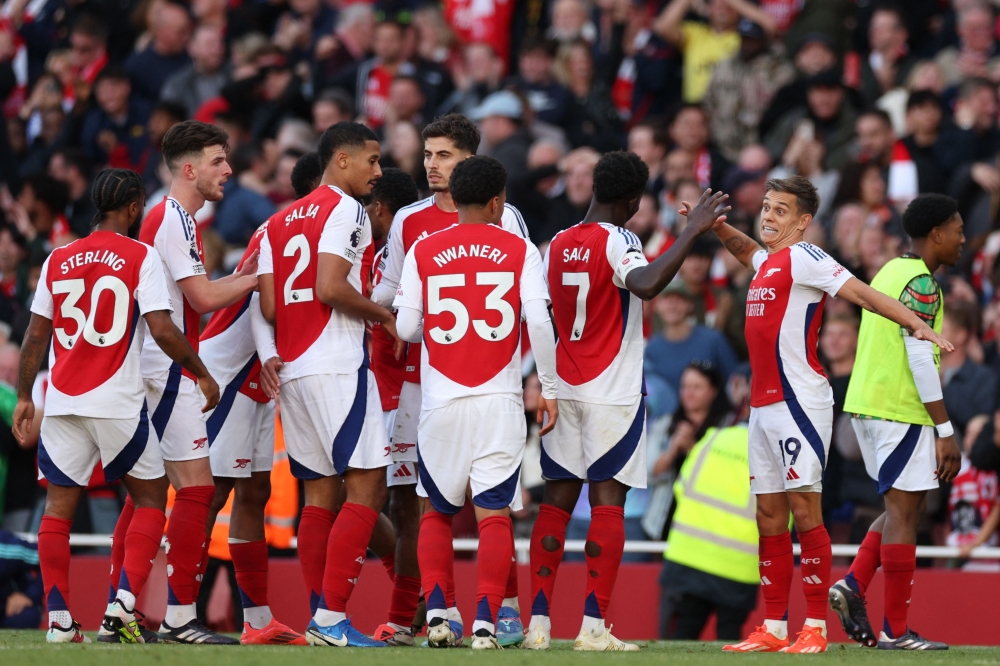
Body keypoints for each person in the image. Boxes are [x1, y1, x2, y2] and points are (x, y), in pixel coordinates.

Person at [706, 176, 952, 654]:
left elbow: (861, 294)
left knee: (804, 511)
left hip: (800, 402)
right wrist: (716, 228)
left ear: (803, 222)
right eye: (767, 208)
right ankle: (774, 628)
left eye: (781, 211)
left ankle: (815, 627)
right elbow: (748, 252)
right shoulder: (769, 263)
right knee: (769, 516)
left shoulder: (806, 257)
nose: (769, 217)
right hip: (762, 406)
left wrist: (916, 322)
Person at [525, 152, 731, 652]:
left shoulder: (560, 244)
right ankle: (594, 627)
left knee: (554, 506)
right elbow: (645, 282)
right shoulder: (620, 239)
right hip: (612, 393)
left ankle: (538, 624)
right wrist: (692, 232)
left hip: (564, 388)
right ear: (634, 201)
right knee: (608, 505)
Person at [13, 168, 220, 644]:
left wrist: (26, 395)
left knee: (57, 512)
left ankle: (60, 620)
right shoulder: (139, 254)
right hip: (116, 400)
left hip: (62, 400)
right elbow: (164, 330)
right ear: (131, 208)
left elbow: (35, 334)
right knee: (150, 500)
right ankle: (123, 607)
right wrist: (202, 373)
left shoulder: (57, 257)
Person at [369, 113, 530, 648]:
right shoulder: (410, 220)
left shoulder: (509, 220)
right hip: (420, 382)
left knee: (485, 501)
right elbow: (390, 289)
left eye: (443, 156)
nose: (431, 165)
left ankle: (503, 607)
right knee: (413, 502)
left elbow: (525, 309)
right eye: (428, 154)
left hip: (479, 377)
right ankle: (430, 612)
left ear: (470, 162)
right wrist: (390, 320)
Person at [392, 155, 558, 651]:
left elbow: (403, 328)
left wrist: (438, 335)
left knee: (436, 513)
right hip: (499, 400)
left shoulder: (423, 247)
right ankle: (487, 621)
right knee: (494, 514)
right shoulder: (521, 249)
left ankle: (440, 616)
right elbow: (540, 324)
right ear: (496, 201)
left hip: (441, 400)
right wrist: (547, 385)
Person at [256, 122, 395, 648]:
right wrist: (382, 315)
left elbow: (270, 306)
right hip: (336, 362)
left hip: (292, 369)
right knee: (367, 485)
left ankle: (321, 613)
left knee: (318, 496)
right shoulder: (347, 209)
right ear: (341, 160)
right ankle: (333, 619)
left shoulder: (276, 221)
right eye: (372, 161)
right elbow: (332, 287)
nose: (378, 173)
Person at [128, 121, 257, 644]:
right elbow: (201, 300)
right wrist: (260, 275)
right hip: (165, 367)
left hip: (155, 365)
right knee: (197, 492)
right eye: (217, 161)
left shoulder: (175, 218)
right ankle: (179, 618)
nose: (227, 170)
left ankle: (125, 610)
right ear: (189, 169)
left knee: (149, 498)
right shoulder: (172, 218)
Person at [833, 194, 965, 651]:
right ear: (936, 234)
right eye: (958, 230)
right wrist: (945, 430)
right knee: (906, 514)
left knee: (900, 510)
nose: (963, 240)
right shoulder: (923, 284)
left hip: (867, 405)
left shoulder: (890, 270)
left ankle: (853, 583)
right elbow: (920, 358)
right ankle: (895, 630)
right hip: (899, 408)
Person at [198, 220, 305, 644]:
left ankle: (258, 622)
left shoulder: (316, 228)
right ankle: (178, 613)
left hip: (259, 377)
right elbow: (267, 303)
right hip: (229, 373)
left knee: (255, 491)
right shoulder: (278, 231)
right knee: (211, 494)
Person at [361, 168, 422, 647]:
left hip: (402, 392)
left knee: (397, 506)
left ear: (380, 208)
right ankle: (414, 602)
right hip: (389, 390)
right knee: (392, 506)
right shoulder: (386, 250)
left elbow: (395, 315)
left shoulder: (401, 250)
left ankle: (410, 610)